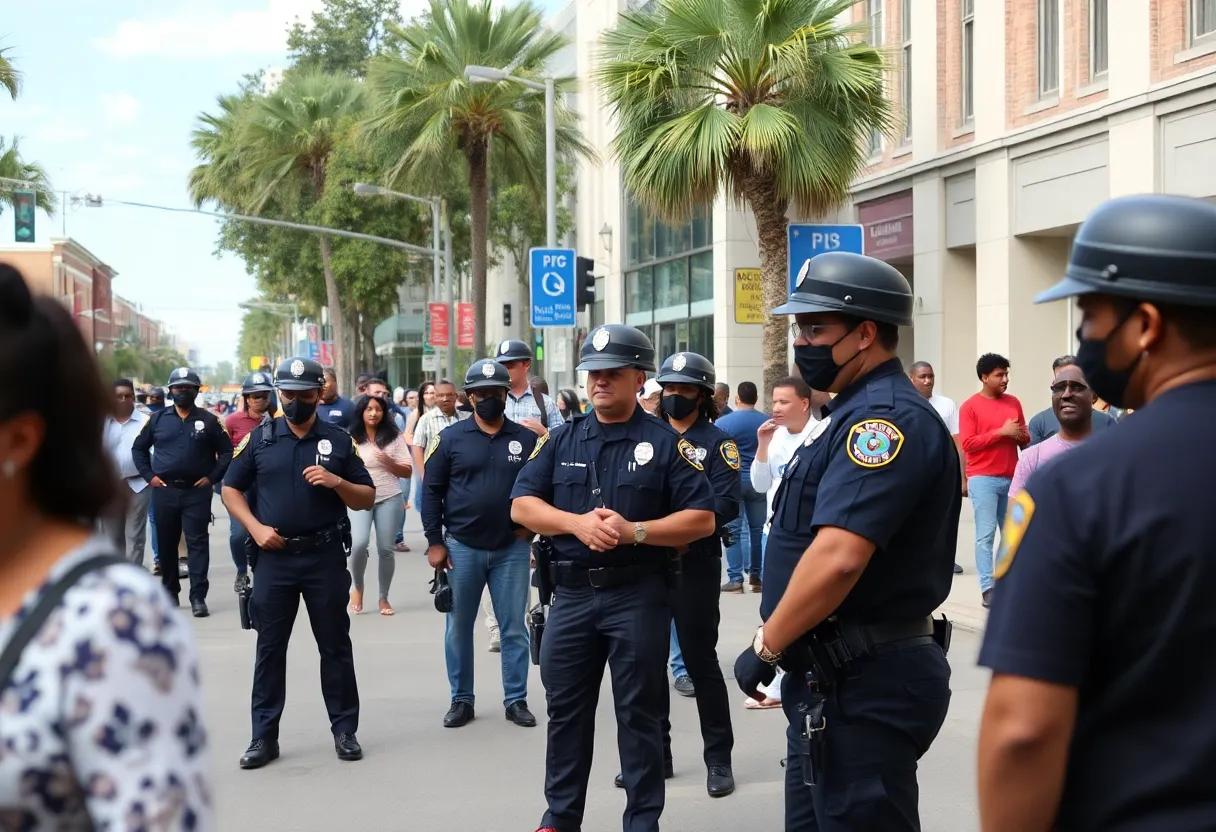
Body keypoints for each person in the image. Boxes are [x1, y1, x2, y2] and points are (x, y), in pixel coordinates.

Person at [977, 194, 1216, 831]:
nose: (1083, 338)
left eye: (1089, 315)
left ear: (1145, 324)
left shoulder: (1082, 489)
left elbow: (1022, 731)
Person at [733, 251, 959, 831]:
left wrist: (766, 647)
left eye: (816, 328)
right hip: (833, 678)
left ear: (865, 333)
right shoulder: (846, 415)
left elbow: (838, 558)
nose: (802, 342)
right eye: (800, 328)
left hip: (868, 678)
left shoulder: (881, 423)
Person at [0, 263, 213, 828]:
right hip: (156, 490)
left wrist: (195, 479)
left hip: (164, 500)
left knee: (143, 545)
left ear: (19, 440)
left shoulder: (112, 624)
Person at [511, 324, 716, 832]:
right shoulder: (562, 438)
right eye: (593, 374)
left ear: (639, 378)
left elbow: (702, 518)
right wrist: (575, 522)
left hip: (637, 595)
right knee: (566, 714)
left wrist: (635, 532)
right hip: (573, 596)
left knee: (639, 716)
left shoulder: (667, 443)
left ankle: (642, 823)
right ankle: (560, 819)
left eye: (612, 374)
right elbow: (522, 505)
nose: (599, 383)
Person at [222, 356, 376, 769]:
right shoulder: (261, 439)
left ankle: (345, 730)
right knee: (270, 650)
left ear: (318, 394)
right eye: (287, 395)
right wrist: (254, 528)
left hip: (324, 557)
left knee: (335, 646)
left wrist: (337, 482)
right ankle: (263, 737)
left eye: (304, 395)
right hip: (275, 559)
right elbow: (230, 489)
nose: (294, 402)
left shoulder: (338, 440)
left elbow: (367, 495)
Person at [623, 350, 739, 798]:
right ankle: (658, 757)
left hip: (695, 561)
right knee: (647, 665)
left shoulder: (718, 442)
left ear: (703, 395)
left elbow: (726, 501)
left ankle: (718, 760)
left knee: (700, 662)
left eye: (684, 390)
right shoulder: (645, 437)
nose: (673, 396)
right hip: (647, 561)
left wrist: (683, 527)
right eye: (667, 389)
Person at [423, 359, 539, 729]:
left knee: (513, 628)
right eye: (482, 393)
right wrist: (434, 542)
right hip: (461, 549)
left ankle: (516, 699)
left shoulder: (526, 439)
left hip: (511, 548)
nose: (490, 399)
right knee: (458, 627)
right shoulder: (450, 440)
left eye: (497, 393)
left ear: (507, 395)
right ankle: (461, 699)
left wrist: (532, 532)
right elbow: (432, 492)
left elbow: (543, 490)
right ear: (469, 398)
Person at [742, 375, 820, 708]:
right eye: (773, 402)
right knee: (772, 609)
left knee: (806, 609)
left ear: (804, 403)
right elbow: (760, 486)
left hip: (810, 539)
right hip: (774, 533)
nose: (776, 408)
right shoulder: (773, 438)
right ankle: (776, 680)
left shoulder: (823, 435)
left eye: (784, 402)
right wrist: (762, 445)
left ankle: (809, 676)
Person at [131, 366, 232, 617]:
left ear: (196, 391)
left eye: (187, 388)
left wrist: (212, 477)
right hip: (165, 491)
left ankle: (198, 596)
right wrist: (149, 477)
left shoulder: (209, 421)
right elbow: (138, 449)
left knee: (198, 544)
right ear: (170, 391)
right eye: (178, 388)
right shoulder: (157, 420)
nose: (182, 392)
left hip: (196, 493)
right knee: (166, 545)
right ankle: (169, 592)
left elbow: (228, 451)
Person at [959, 353, 1029, 607]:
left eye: (1006, 374)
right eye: (1000, 375)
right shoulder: (970, 406)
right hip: (983, 479)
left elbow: (1025, 439)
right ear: (984, 377)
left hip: (1012, 476)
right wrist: (1002, 432)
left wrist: (1019, 434)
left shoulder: (1013, 402)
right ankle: (988, 588)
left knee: (1011, 534)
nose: (1005, 379)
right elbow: (968, 444)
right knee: (985, 535)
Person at [347, 394, 413, 615]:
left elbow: (407, 470)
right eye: (369, 409)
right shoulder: (351, 437)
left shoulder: (393, 437)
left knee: (386, 549)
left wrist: (388, 462)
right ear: (361, 413)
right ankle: (357, 586)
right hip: (360, 497)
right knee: (358, 544)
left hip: (390, 497)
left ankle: (383, 597)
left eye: (378, 409)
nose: (374, 413)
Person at [909, 361, 966, 574]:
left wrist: (963, 476)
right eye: (922, 377)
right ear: (911, 379)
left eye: (930, 376)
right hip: (914, 472)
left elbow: (957, 441)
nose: (928, 381)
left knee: (945, 517)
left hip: (943, 471)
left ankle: (944, 559)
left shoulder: (946, 404)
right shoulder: (905, 404)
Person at [1008, 364, 1096, 498]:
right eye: (1059, 388)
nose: (1066, 394)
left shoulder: (1114, 456)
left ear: (1094, 396)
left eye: (1077, 387)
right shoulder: (1032, 457)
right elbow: (1016, 515)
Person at [715, 380, 769, 592]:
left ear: (737, 399)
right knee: (757, 529)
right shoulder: (766, 421)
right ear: (756, 399)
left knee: (732, 530)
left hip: (733, 481)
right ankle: (757, 575)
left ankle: (736, 578)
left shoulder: (724, 423)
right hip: (758, 480)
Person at [223, 372, 274, 591]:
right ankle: (241, 571)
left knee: (267, 530)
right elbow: (223, 453)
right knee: (239, 534)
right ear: (246, 398)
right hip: (240, 487)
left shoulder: (279, 419)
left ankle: (261, 571)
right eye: (255, 396)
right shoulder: (232, 421)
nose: (260, 400)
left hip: (268, 485)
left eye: (264, 395)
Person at [102, 378, 152, 565]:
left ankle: (133, 578)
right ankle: (115, 579)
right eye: (118, 396)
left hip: (139, 485)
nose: (123, 400)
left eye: (127, 396)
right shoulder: (101, 423)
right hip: (109, 487)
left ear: (134, 397)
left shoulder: (146, 422)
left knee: (135, 537)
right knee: (111, 538)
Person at [1025, 355, 1117, 446]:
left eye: (1074, 384)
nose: (1066, 393)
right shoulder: (1039, 423)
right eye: (1060, 384)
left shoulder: (1106, 421)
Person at [494, 339, 563, 436]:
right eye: (501, 366)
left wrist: (544, 432)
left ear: (527, 364)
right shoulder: (492, 401)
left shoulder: (546, 404)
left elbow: (563, 441)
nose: (504, 371)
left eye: (510, 366)